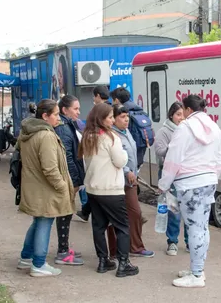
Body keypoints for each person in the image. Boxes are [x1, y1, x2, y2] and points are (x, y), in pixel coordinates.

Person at [158, 94, 221, 289]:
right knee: (202, 227)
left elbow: (173, 159)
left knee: (194, 227)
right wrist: (212, 175)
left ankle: (196, 275)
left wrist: (164, 184)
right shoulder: (214, 127)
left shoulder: (184, 128)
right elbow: (220, 158)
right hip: (208, 182)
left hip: (189, 185)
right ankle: (198, 267)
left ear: (188, 110)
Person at [16, 99, 75, 277]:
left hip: (34, 186)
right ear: (45, 116)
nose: (58, 118)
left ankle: (26, 257)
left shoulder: (28, 132)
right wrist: (62, 186)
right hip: (45, 188)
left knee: (38, 222)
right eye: (56, 114)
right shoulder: (46, 135)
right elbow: (50, 168)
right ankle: (39, 264)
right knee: (44, 222)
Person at [79, 102, 138, 278]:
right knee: (122, 227)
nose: (113, 120)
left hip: (93, 188)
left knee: (98, 226)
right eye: (110, 117)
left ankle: (103, 261)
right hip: (111, 189)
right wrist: (125, 154)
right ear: (101, 119)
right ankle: (124, 263)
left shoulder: (87, 136)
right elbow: (120, 161)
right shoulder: (111, 138)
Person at [113, 104, 154, 258]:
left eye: (127, 117)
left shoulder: (127, 132)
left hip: (130, 181)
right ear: (113, 119)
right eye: (122, 117)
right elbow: (114, 158)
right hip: (119, 181)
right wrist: (127, 171)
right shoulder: (113, 135)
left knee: (135, 213)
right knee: (127, 214)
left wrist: (134, 171)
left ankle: (134, 246)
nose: (126, 120)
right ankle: (124, 248)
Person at [52, 95, 84, 266]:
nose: (78, 112)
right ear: (65, 110)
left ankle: (63, 247)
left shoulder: (67, 125)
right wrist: (74, 180)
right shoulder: (63, 128)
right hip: (68, 179)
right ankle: (62, 251)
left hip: (69, 178)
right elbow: (67, 157)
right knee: (64, 213)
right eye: (75, 109)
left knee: (66, 213)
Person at [153, 101, 187, 256]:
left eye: (183, 114)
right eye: (178, 114)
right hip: (169, 175)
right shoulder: (164, 131)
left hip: (185, 174)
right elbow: (159, 151)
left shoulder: (187, 130)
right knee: (173, 210)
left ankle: (189, 241)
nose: (181, 118)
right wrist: (174, 148)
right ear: (171, 115)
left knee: (187, 210)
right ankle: (172, 242)